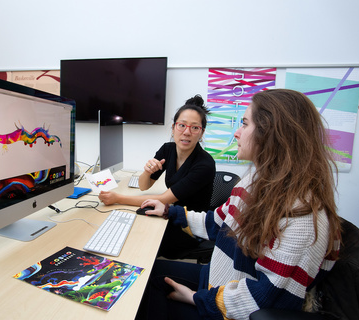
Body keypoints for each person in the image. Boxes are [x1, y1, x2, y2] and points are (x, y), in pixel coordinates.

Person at [135, 89, 342, 320]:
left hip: (230, 307)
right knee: (143, 276)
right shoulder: (255, 182)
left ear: (271, 134)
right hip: (219, 279)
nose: (236, 133)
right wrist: (169, 211)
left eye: (244, 124)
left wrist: (196, 298)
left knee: (142, 298)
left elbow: (264, 299)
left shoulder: (303, 217)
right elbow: (216, 223)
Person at [99, 95, 216, 258]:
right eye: (182, 125)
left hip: (188, 227)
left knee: (136, 240)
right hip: (167, 213)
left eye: (194, 128)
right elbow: (143, 186)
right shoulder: (168, 149)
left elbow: (164, 199)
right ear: (173, 128)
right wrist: (147, 172)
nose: (187, 132)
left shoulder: (204, 165)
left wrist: (117, 198)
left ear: (201, 133)